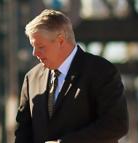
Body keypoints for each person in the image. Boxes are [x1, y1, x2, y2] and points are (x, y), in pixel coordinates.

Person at [15, 9, 128, 143]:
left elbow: (116, 124)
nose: (35, 53)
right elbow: (23, 133)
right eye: (33, 47)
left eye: (40, 46)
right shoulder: (31, 79)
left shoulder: (101, 71)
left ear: (61, 40)